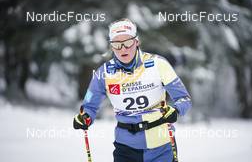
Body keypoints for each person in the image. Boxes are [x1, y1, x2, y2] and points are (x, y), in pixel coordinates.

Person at [73, 18, 192, 162]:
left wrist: (176, 110)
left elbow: (184, 99)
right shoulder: (104, 73)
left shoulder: (158, 64)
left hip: (161, 147)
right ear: (111, 47)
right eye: (117, 45)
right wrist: (85, 117)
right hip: (126, 149)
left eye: (128, 42)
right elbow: (89, 106)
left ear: (137, 41)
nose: (123, 49)